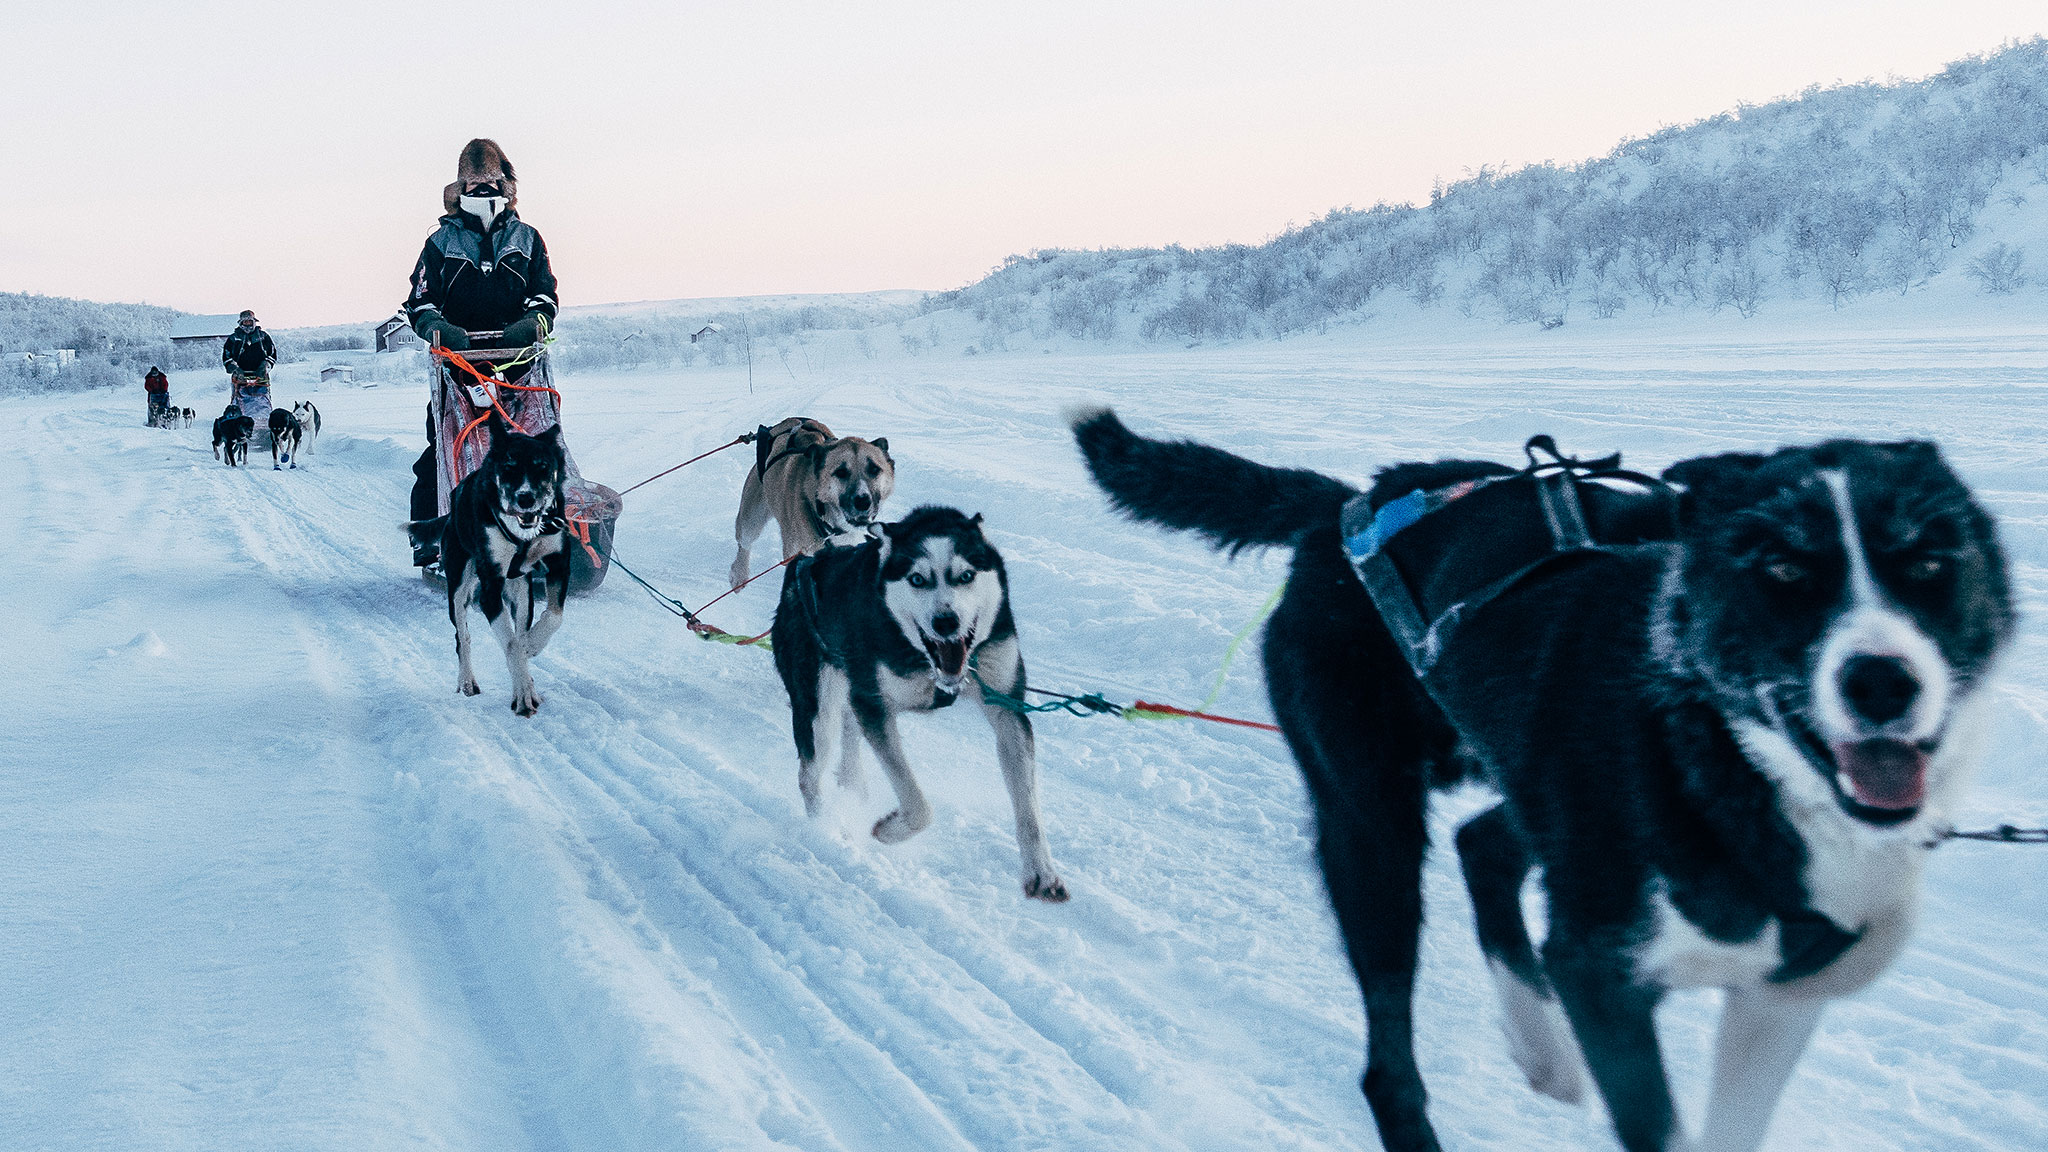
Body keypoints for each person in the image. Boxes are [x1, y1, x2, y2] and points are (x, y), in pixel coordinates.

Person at [404, 138, 560, 566]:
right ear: (460, 189)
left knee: (535, 450)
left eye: (491, 183)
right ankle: (432, 539)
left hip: (520, 368)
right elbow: (419, 301)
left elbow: (545, 296)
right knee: (445, 450)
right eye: (473, 184)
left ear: (506, 186)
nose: (483, 192)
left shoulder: (527, 239)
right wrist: (438, 327)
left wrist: (533, 323)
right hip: (457, 368)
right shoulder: (440, 243)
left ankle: (547, 534)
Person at [221, 310, 275, 383]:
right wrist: (234, 368)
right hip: (239, 376)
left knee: (262, 394)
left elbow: (272, 353)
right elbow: (226, 355)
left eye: (249, 321)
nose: (247, 324)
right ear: (241, 323)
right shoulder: (233, 338)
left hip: (261, 375)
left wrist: (265, 365)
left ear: (254, 322)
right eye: (245, 322)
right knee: (239, 394)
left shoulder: (263, 336)